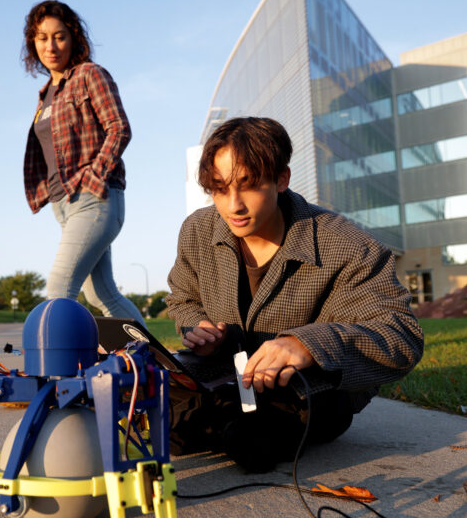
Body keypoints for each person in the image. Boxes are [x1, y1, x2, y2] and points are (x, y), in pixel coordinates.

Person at [166, 117, 423, 472]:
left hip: (307, 391)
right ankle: (224, 421)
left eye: (249, 185)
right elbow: (183, 297)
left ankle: (235, 426)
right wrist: (197, 327)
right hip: (225, 373)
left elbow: (401, 336)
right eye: (220, 188)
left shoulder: (345, 245)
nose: (233, 205)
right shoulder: (197, 230)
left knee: (255, 440)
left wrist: (308, 346)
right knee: (163, 413)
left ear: (282, 179)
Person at [21, 0, 144, 322]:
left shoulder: (90, 75)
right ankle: (154, 364)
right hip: (64, 205)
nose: (51, 45)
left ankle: (55, 369)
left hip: (95, 199)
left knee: (59, 289)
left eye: (59, 36)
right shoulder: (46, 93)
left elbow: (119, 128)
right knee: (102, 294)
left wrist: (94, 176)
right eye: (42, 37)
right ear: (32, 42)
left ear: (74, 37)